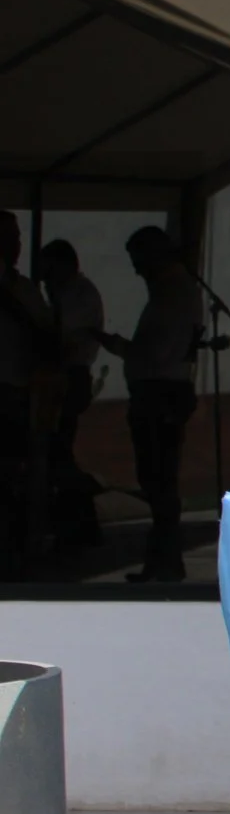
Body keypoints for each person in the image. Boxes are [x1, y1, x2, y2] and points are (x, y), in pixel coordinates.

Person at [99, 226, 202, 583]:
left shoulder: (171, 293)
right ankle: (163, 561)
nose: (136, 270)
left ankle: (165, 562)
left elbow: (155, 353)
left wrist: (119, 347)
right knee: (159, 480)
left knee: (158, 480)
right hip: (163, 392)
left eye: (138, 260)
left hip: (158, 395)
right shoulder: (176, 291)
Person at [37, 239, 103, 551]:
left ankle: (81, 523)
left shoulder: (79, 295)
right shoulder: (75, 293)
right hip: (67, 376)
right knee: (59, 449)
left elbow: (61, 335)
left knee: (60, 450)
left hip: (70, 376)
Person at [0, 214, 50, 578]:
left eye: (17, 237)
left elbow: (44, 335)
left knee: (14, 473)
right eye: (10, 237)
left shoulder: (24, 290)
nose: (17, 245)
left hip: (16, 393)